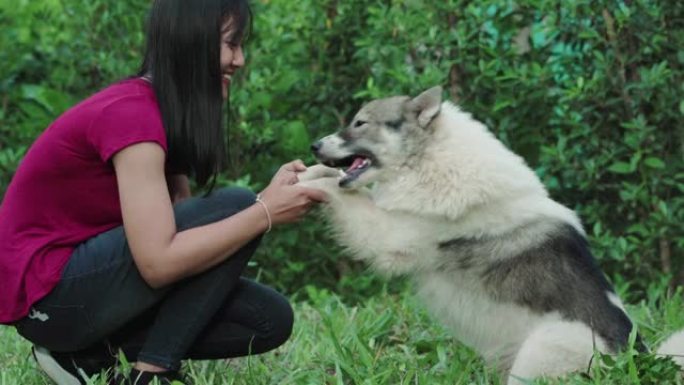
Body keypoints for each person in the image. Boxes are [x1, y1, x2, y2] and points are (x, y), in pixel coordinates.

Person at [0, 0, 328, 384]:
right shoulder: (132, 114)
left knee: (267, 318)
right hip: (50, 298)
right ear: (191, 42)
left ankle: (87, 357)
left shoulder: (164, 114)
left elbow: (188, 237)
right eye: (231, 44)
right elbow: (159, 264)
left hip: (87, 288)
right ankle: (153, 372)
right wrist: (263, 212)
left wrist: (268, 204)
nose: (239, 59)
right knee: (238, 204)